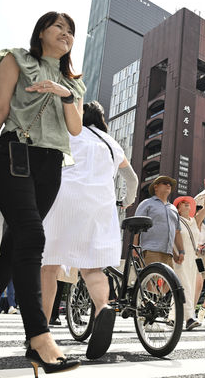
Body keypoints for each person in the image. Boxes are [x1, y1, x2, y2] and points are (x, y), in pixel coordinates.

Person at [0, 12, 85, 374]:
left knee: (12, 255)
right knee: (32, 234)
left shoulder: (73, 81)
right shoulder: (17, 58)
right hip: (14, 154)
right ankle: (39, 338)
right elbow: (0, 107)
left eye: (70, 31)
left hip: (51, 165)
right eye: (59, 26)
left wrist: (64, 94)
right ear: (41, 31)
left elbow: (75, 129)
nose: (66, 34)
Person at [41, 100, 138, 360]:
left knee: (49, 265)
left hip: (65, 197)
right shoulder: (111, 143)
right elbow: (132, 180)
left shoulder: (70, 132)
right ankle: (102, 307)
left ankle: (41, 332)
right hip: (101, 205)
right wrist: (127, 202)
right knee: (92, 268)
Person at [173, 185, 205, 330]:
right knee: (186, 286)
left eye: (188, 202)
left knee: (185, 286)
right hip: (180, 257)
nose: (186, 204)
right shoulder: (175, 220)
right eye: (183, 203)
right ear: (178, 208)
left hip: (194, 258)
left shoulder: (195, 220)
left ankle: (171, 316)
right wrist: (175, 254)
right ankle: (189, 318)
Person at [134, 176, 184, 268]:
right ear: (156, 187)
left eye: (170, 184)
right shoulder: (146, 204)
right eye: (165, 183)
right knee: (151, 281)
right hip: (150, 251)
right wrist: (135, 248)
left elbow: (176, 232)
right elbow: (136, 227)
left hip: (168, 255)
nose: (168, 185)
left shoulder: (173, 209)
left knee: (169, 282)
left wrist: (180, 252)